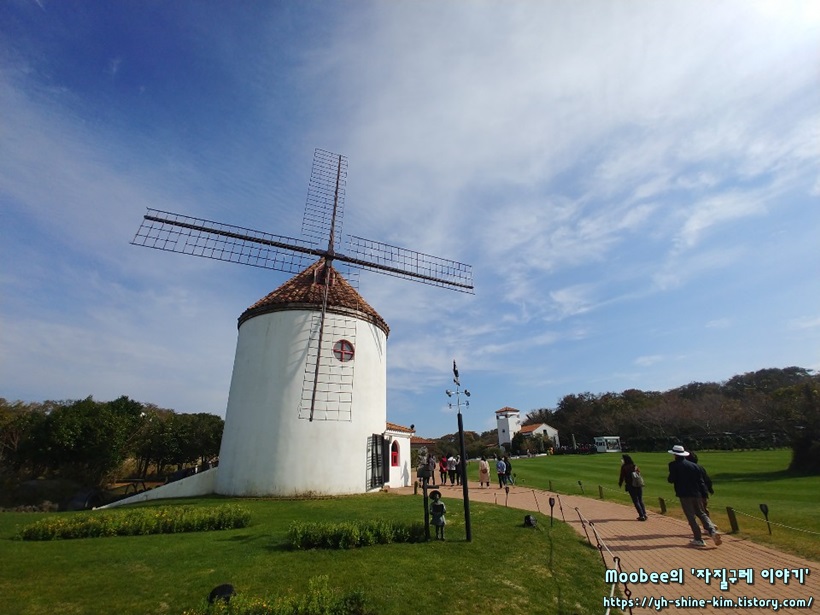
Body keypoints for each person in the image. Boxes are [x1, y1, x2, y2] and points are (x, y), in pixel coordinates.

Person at [667, 445, 721, 547]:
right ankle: (712, 531)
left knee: (691, 517)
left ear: (675, 454)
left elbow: (671, 479)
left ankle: (698, 539)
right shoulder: (695, 466)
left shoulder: (673, 465)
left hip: (684, 493)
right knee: (701, 513)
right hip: (697, 493)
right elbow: (700, 481)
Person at [618, 454, 647, 521]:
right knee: (640, 500)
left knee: (635, 501)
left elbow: (622, 476)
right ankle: (644, 514)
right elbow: (638, 473)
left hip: (630, 485)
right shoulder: (634, 466)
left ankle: (641, 515)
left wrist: (620, 483)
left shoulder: (624, 467)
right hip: (638, 484)